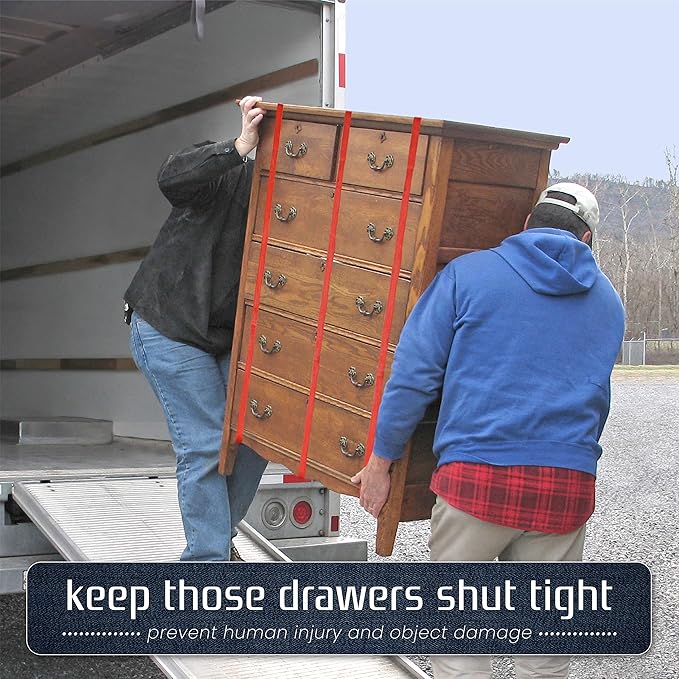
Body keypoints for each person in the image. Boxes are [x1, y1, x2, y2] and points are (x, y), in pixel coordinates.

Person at [351, 183, 625, 678]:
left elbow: (413, 378)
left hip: (476, 482)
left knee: (460, 651)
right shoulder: (608, 302)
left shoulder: (468, 275)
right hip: (565, 489)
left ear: (527, 224)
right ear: (586, 238)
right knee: (545, 654)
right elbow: (596, 402)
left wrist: (380, 463)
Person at [124, 96, 268, 562]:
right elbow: (171, 175)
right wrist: (239, 146)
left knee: (256, 437)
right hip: (168, 325)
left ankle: (216, 542)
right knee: (206, 444)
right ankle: (207, 566)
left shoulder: (299, 208)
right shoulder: (224, 173)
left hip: (223, 337)